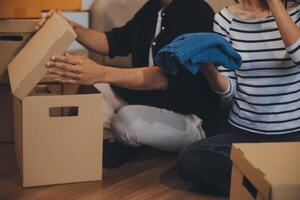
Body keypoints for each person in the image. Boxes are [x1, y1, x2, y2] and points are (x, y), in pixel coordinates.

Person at [37, 0, 222, 167]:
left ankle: (125, 140)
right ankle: (124, 139)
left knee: (127, 120)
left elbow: (165, 78)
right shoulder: (153, 7)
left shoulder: (197, 12)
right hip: (150, 101)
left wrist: (101, 72)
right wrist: (73, 29)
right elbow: (114, 42)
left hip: (190, 115)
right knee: (93, 91)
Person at [177, 0, 300, 196]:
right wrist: (207, 67)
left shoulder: (297, 12)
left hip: (293, 135)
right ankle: (274, 185)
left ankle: (258, 184)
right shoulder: (225, 19)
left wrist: (275, 4)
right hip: (243, 133)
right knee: (190, 159)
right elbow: (229, 90)